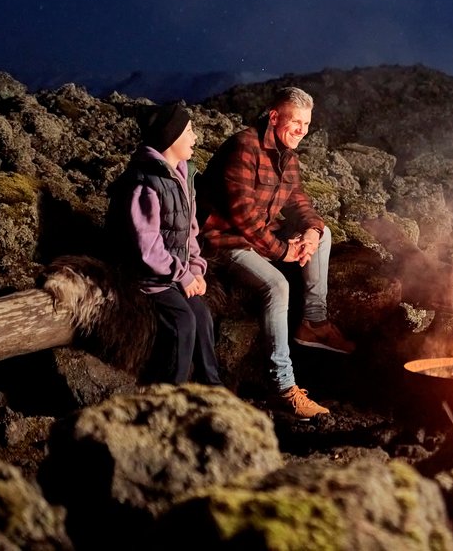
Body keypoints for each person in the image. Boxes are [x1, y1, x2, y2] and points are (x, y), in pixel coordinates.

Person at [197, 86, 351, 418]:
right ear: (274, 117)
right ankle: (283, 388)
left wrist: (310, 231)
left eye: (307, 125)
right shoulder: (244, 147)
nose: (302, 131)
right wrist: (283, 252)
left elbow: (298, 203)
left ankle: (314, 321)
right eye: (296, 122)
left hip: (259, 236)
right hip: (227, 241)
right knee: (277, 286)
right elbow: (242, 216)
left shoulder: (288, 156)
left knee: (322, 236)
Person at [107, 102, 221, 386]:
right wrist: (182, 274)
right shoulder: (144, 184)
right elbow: (147, 246)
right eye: (190, 131)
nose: (195, 138)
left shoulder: (183, 174)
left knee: (202, 316)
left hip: (173, 273)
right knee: (183, 322)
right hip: (148, 279)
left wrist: (195, 267)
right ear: (171, 137)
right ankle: (170, 392)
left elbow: (189, 231)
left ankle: (212, 387)